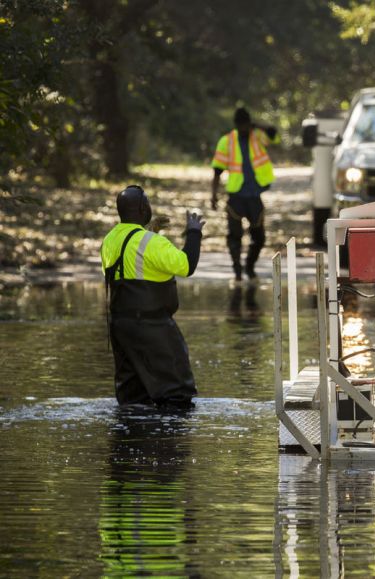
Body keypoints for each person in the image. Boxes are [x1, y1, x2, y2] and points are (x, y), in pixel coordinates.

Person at [101, 185, 205, 409]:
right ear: (142, 208)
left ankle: (132, 439)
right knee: (178, 395)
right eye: (147, 202)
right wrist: (194, 233)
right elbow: (187, 265)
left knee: (132, 399)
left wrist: (150, 232)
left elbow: (133, 262)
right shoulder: (152, 243)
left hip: (120, 326)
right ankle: (169, 440)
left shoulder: (109, 240)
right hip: (152, 326)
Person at [211, 107, 279, 281]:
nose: (244, 129)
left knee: (259, 237)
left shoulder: (257, 136)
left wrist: (257, 125)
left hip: (254, 195)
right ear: (236, 125)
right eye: (241, 126)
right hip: (236, 196)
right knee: (234, 236)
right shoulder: (226, 141)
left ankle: (249, 266)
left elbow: (274, 134)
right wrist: (214, 195)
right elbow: (217, 171)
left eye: (247, 125)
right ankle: (238, 270)